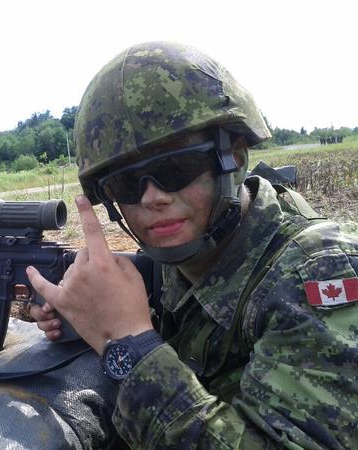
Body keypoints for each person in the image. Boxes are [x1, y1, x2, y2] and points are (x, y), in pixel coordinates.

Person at [27, 41, 358, 449]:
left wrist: (129, 345)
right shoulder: (186, 255)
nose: (151, 198)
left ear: (233, 158)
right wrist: (92, 317)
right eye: (126, 184)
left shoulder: (319, 273)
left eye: (175, 168)